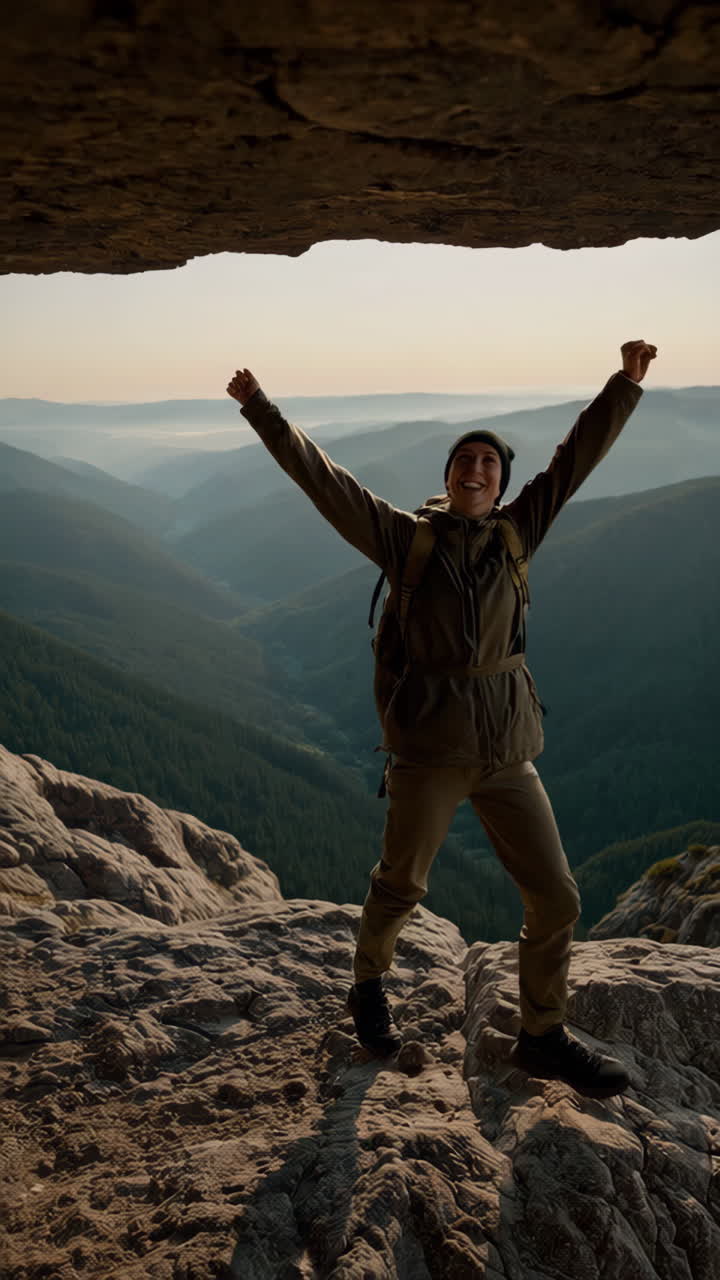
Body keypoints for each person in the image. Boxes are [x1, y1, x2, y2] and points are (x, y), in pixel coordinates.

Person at [227, 339, 657, 1098]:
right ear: (448, 477)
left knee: (556, 896)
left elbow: (574, 460)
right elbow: (326, 483)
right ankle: (367, 986)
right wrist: (262, 410)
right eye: (466, 460)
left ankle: (543, 1036)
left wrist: (624, 384)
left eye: (490, 463)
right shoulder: (406, 539)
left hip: (507, 751)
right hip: (428, 748)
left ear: (502, 483)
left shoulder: (520, 533)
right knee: (400, 886)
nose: (478, 470)